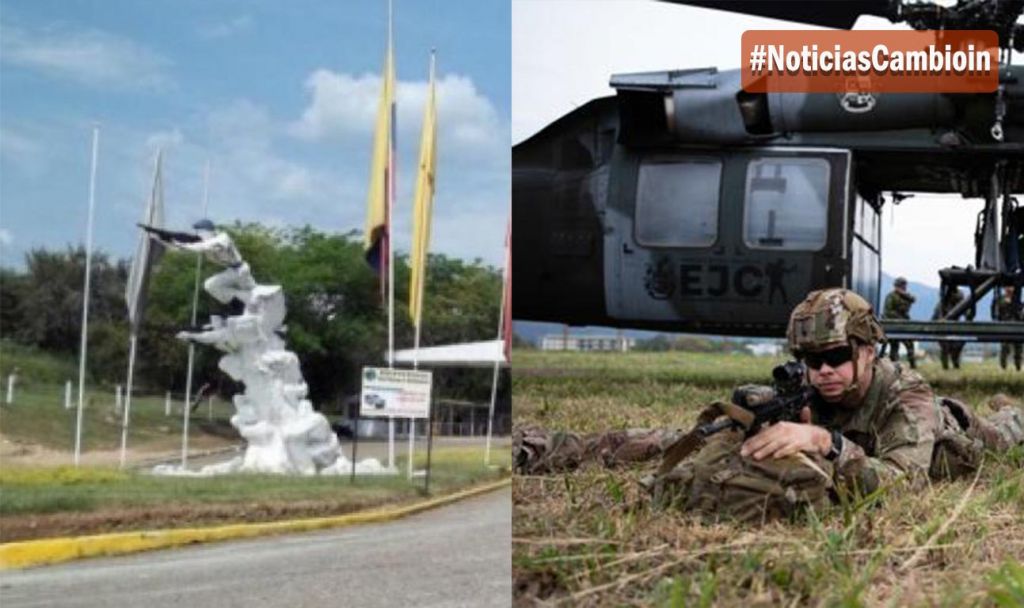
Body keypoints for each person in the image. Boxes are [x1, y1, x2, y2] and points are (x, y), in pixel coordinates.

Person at [514, 288, 1024, 522]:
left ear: (868, 350)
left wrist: (825, 441)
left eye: (836, 357)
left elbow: (902, 484)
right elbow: (678, 439)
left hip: (955, 432)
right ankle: (540, 447)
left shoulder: (906, 395)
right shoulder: (809, 387)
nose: (822, 371)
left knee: (1010, 429)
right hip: (854, 440)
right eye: (808, 359)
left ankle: (1008, 408)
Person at [156, 219, 256, 307]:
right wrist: (165, 240)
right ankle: (239, 304)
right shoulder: (206, 242)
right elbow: (181, 249)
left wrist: (181, 244)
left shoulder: (222, 238)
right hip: (232, 271)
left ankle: (246, 299)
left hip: (241, 270)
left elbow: (205, 246)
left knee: (256, 296)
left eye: (200, 231)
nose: (198, 234)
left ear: (207, 231)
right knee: (211, 285)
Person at [881, 276, 917, 368]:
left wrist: (904, 295)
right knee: (894, 346)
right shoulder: (891, 296)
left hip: (904, 325)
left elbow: (913, 299)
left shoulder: (906, 296)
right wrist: (899, 317)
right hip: (894, 324)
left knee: (910, 345)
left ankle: (912, 365)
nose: (903, 287)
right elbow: (888, 311)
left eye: (904, 285)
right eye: (902, 285)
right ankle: (894, 365)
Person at [932, 287, 966, 370]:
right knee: (945, 347)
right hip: (941, 330)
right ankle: (945, 367)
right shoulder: (941, 305)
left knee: (959, 344)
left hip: (954, 329)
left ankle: (955, 363)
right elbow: (936, 319)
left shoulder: (959, 305)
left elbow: (967, 314)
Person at [995, 286, 1022, 371]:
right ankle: (1003, 366)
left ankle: (1018, 366)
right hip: (1005, 325)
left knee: (1018, 348)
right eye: (1008, 287)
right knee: (1005, 347)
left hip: (1016, 326)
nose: (1010, 289)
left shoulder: (1017, 299)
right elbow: (997, 313)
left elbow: (1020, 312)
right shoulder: (1001, 300)